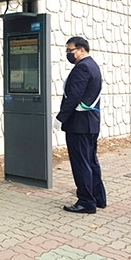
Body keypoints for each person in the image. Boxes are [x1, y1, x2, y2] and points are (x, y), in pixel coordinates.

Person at [54, 36, 106, 214]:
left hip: (79, 125)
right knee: (91, 161)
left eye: (71, 50)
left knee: (81, 162)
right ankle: (98, 197)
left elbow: (74, 96)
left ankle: (86, 201)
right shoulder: (93, 66)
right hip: (90, 124)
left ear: (82, 50)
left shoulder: (82, 68)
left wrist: (61, 117)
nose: (69, 54)